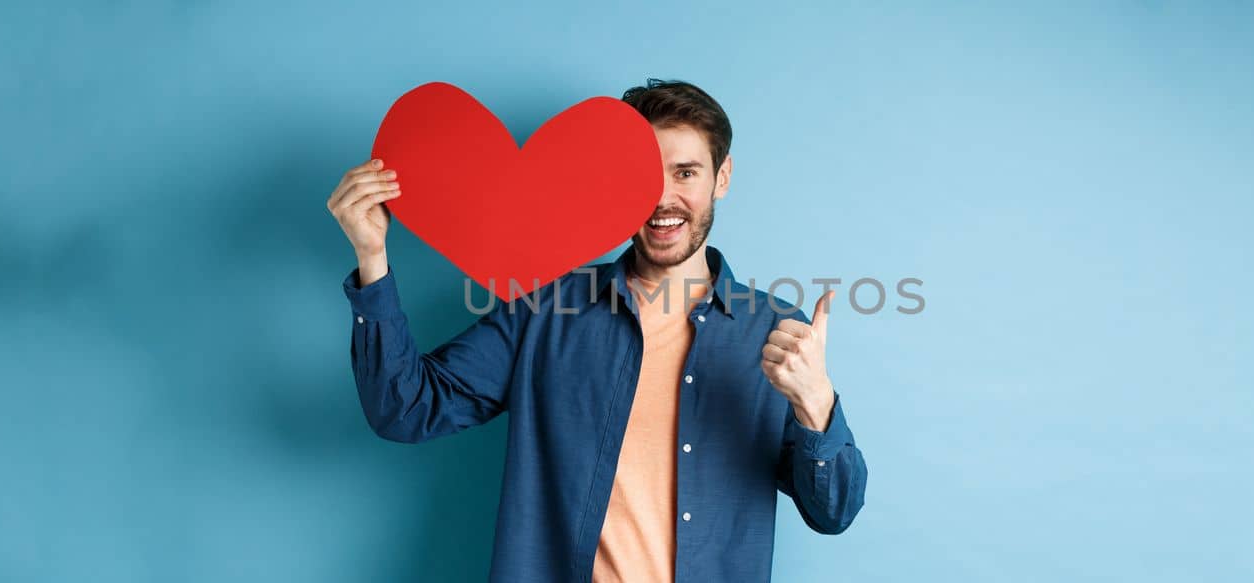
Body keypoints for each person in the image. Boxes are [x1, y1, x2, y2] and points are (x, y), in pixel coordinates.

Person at [325, 79, 867, 582]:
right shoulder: (545, 310)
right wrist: (372, 260)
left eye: (685, 173)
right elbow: (405, 410)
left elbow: (835, 512)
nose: (662, 199)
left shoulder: (776, 332)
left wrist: (816, 403)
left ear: (721, 178)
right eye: (644, 176)